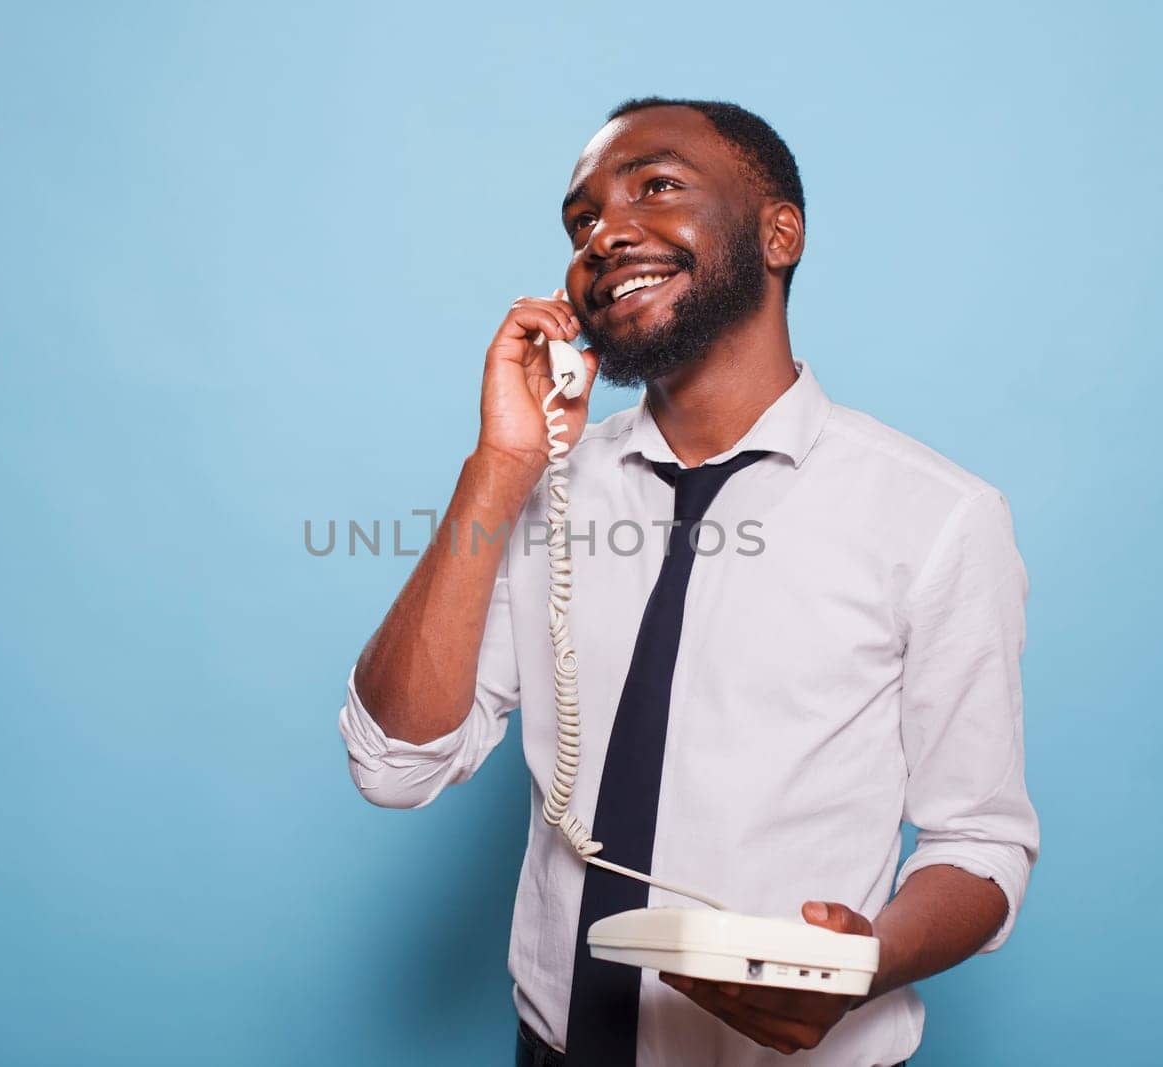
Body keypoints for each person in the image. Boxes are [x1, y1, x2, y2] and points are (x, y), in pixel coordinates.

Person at [337, 97, 1039, 1066]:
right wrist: (498, 464)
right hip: (552, 1048)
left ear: (778, 232)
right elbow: (394, 763)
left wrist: (864, 961)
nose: (603, 234)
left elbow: (982, 840)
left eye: (654, 186)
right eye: (580, 221)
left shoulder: (938, 514)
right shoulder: (542, 485)